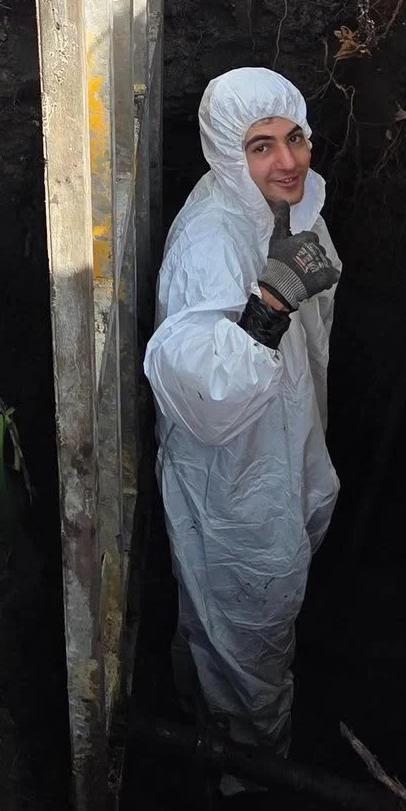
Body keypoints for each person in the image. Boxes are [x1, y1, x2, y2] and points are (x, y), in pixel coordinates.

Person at [143, 66, 341, 759]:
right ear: (230, 153)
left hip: (286, 451)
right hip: (233, 488)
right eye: (262, 146)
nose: (287, 160)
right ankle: (247, 782)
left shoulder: (289, 207)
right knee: (244, 641)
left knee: (232, 637)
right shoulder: (211, 245)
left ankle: (201, 721)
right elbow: (199, 390)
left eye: (296, 137)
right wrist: (269, 308)